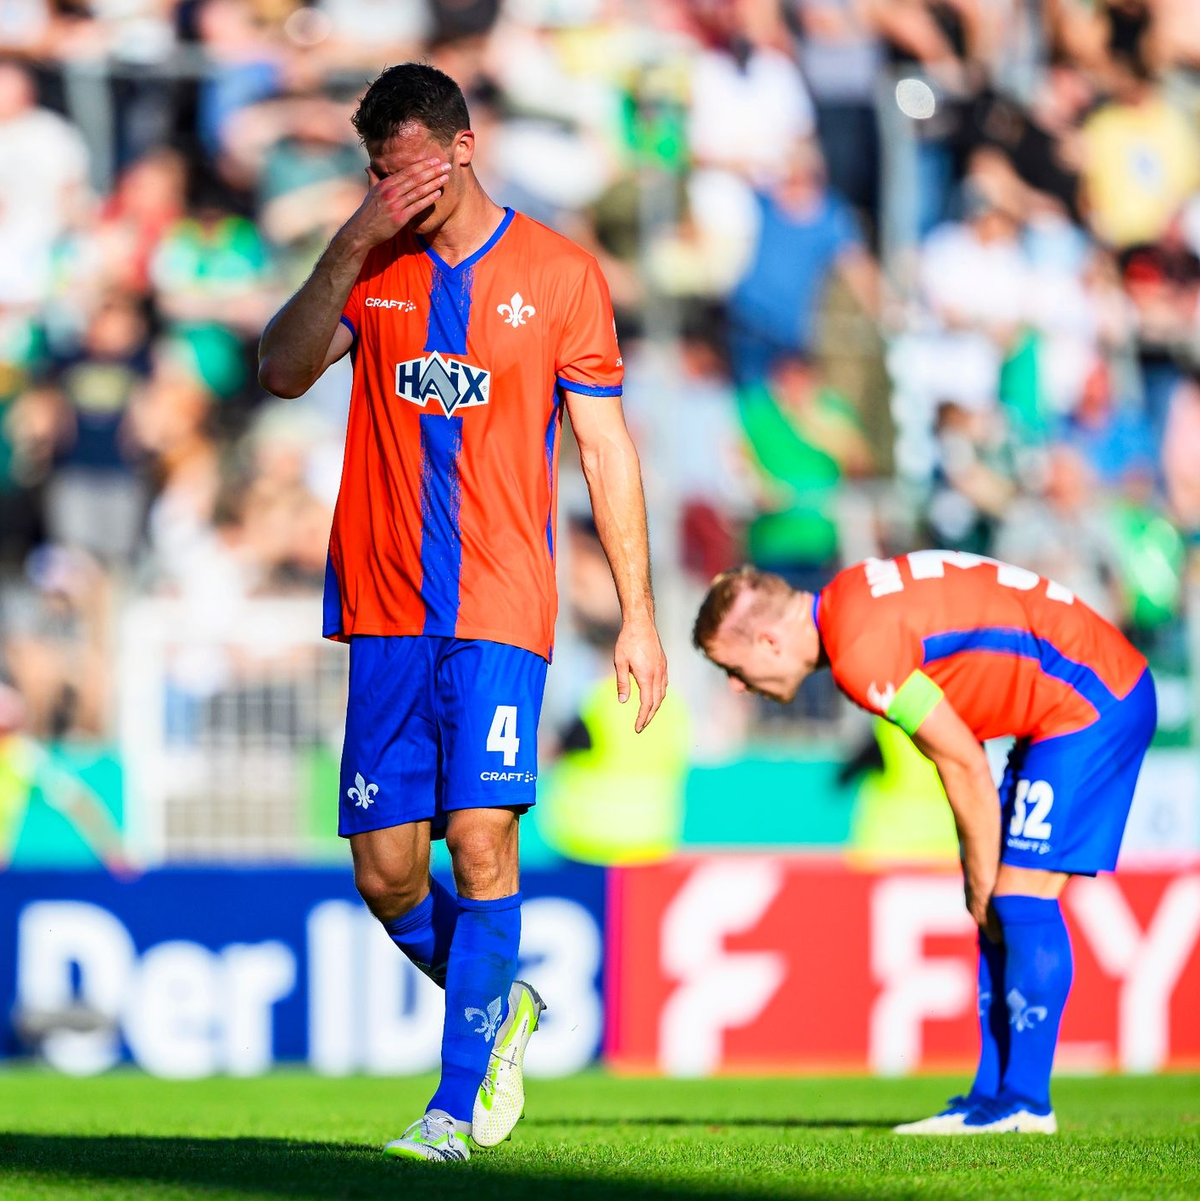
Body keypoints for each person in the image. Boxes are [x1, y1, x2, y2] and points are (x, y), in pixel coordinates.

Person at [257, 63, 667, 1162]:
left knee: (484, 843)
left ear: (465, 147)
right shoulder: (374, 264)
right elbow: (281, 370)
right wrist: (348, 243)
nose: (395, 191)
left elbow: (605, 446)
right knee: (387, 871)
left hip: (499, 605)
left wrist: (638, 612)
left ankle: (450, 1110)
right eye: (377, 174)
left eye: (407, 170)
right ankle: (503, 1007)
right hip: (385, 610)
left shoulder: (559, 271)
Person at [691, 552, 1155, 1134]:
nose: (736, 686)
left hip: (1089, 701)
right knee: (994, 904)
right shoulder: (851, 597)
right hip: (1069, 698)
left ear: (768, 642)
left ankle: (1026, 1104)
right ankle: (991, 1099)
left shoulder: (860, 653)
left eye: (730, 667)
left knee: (1011, 900)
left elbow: (961, 761)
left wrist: (980, 877)